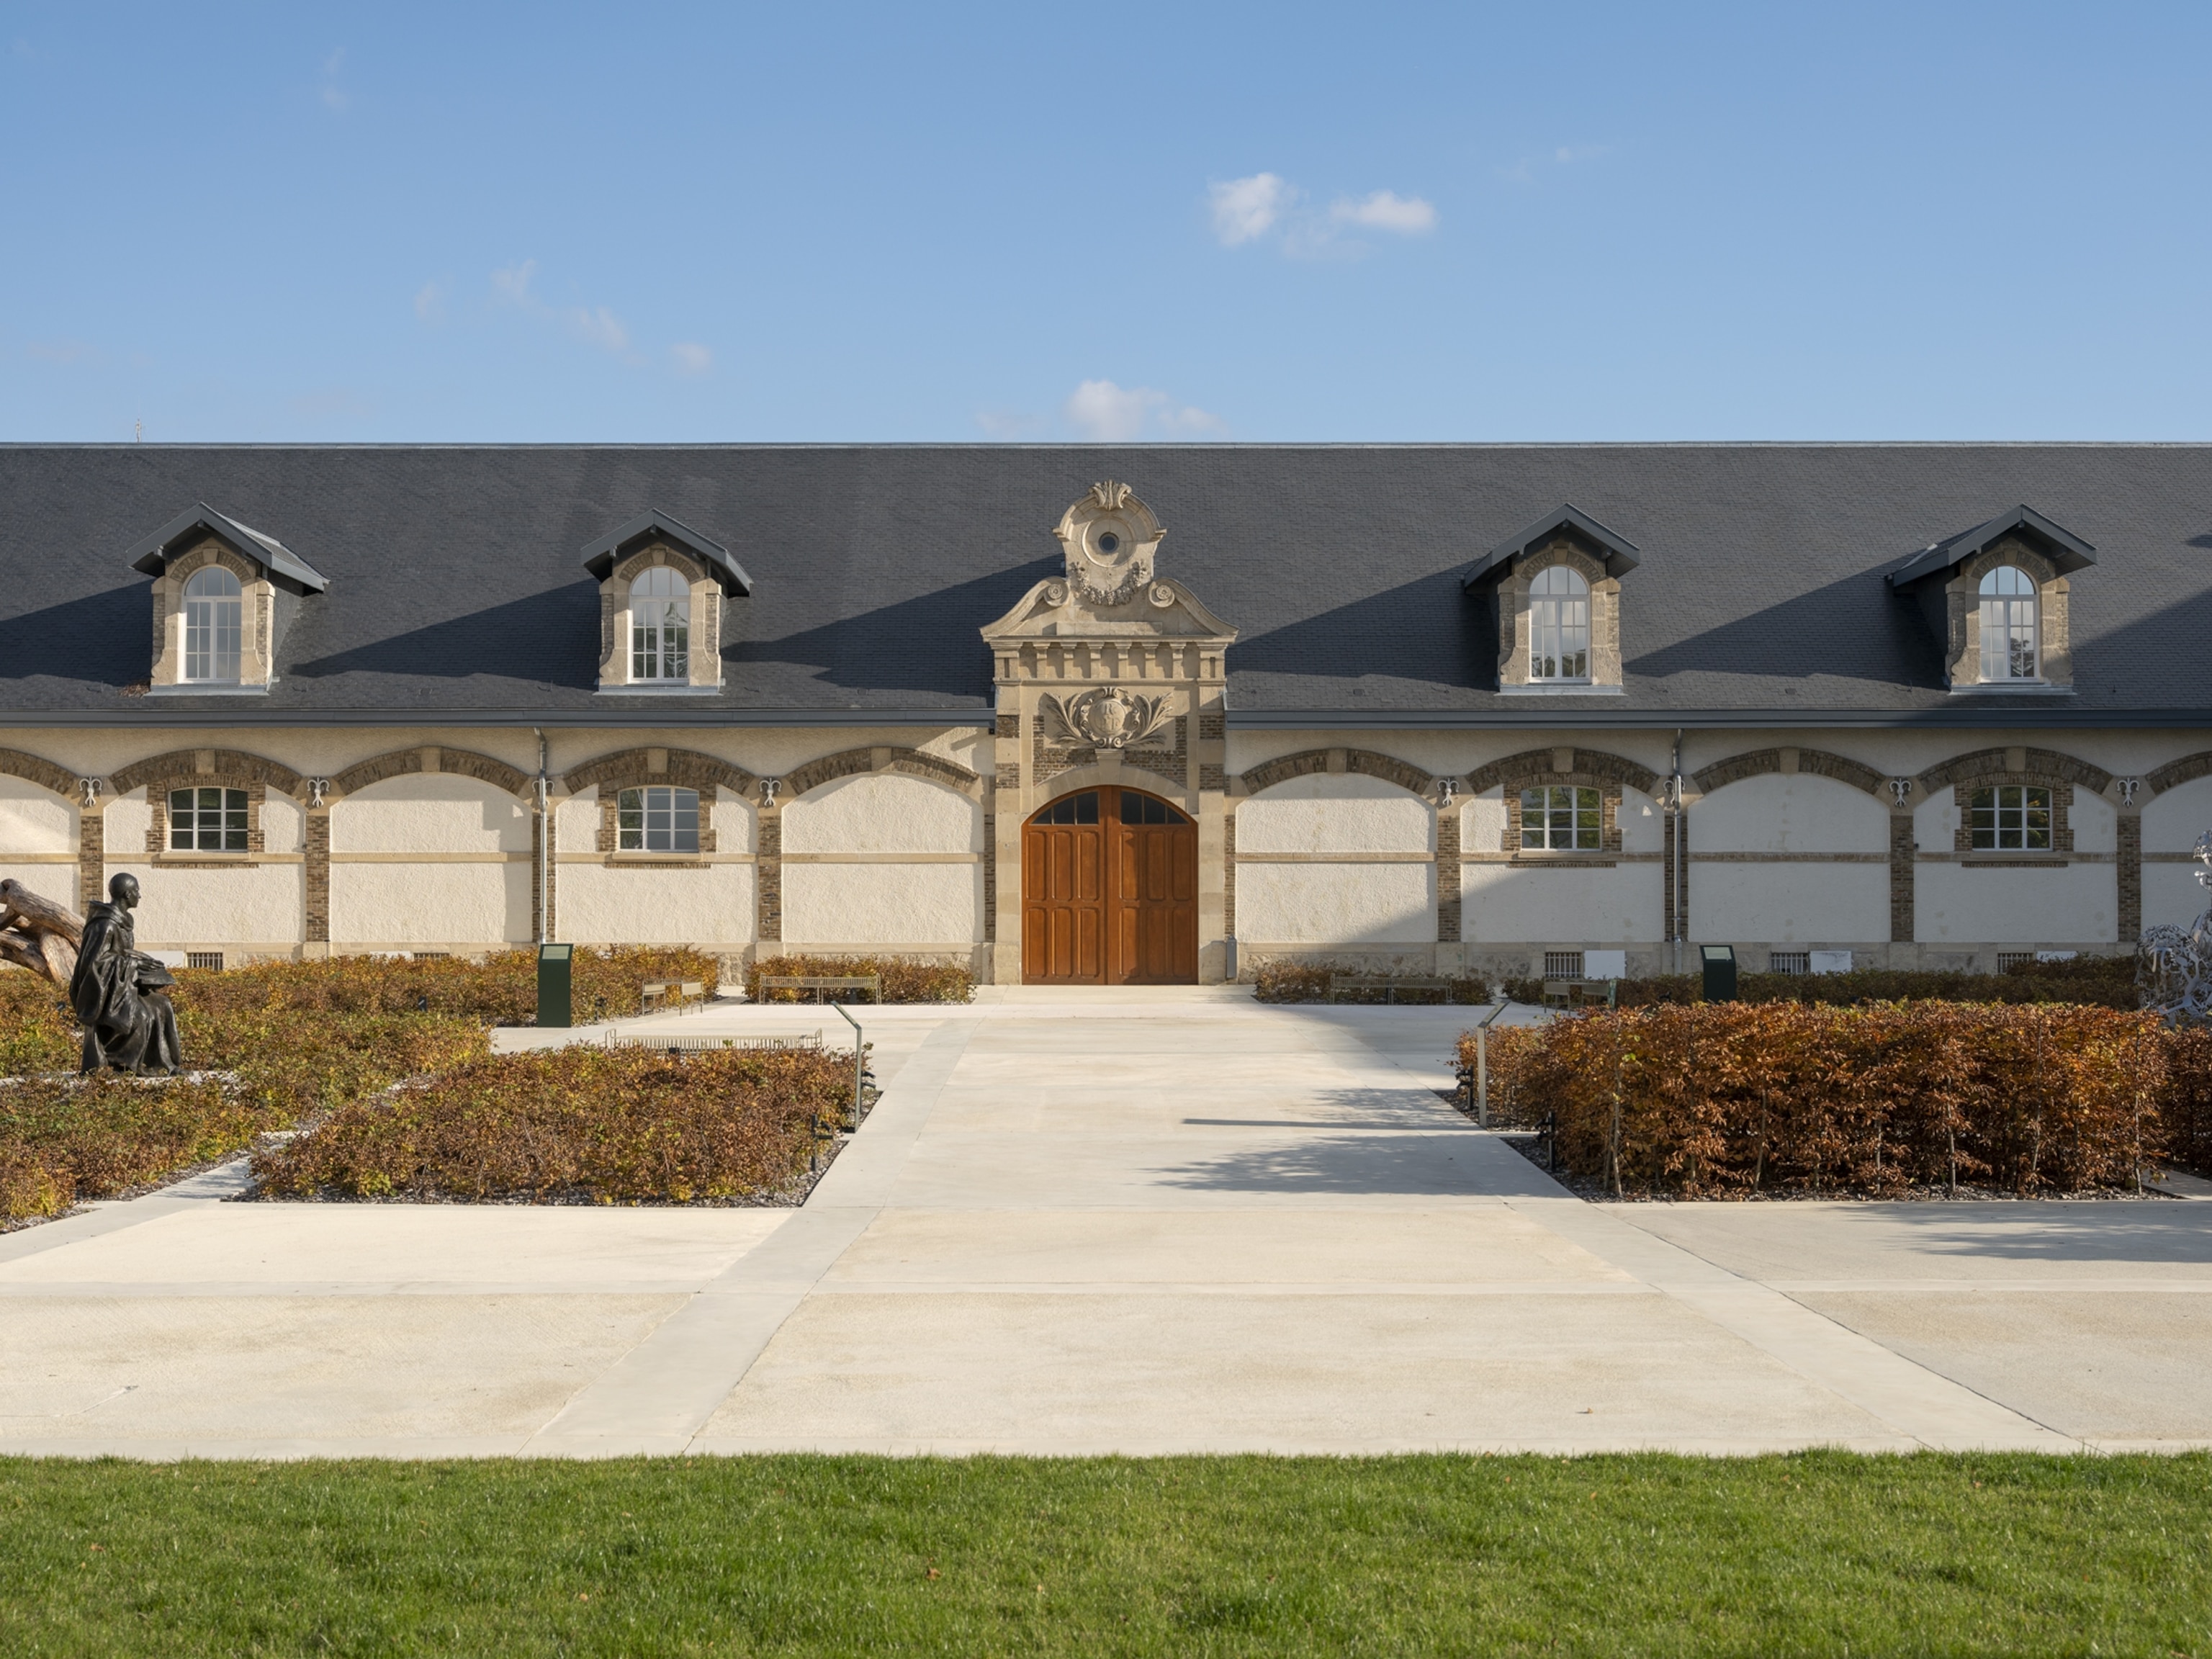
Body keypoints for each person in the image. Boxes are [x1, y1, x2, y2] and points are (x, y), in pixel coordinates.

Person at [68, 873, 183, 1075]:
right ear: (127, 894)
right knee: (141, 1016)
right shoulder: (105, 924)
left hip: (122, 987)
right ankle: (124, 1065)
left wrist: (146, 963)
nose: (139, 896)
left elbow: (120, 953)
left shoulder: (123, 921)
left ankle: (164, 1064)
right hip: (104, 993)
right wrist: (133, 965)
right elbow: (94, 964)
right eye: (137, 891)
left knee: (162, 1005)